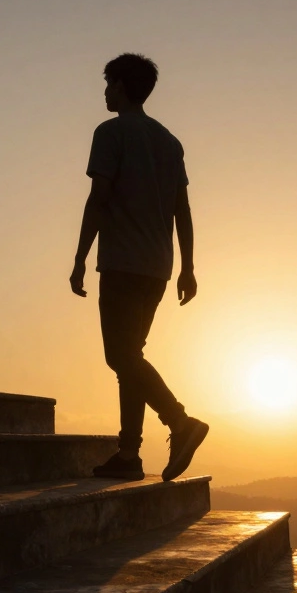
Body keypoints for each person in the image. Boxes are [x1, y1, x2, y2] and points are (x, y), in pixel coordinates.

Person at [70, 53, 209, 482]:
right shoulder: (169, 141)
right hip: (158, 270)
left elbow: (99, 198)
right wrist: (188, 266)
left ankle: (180, 421)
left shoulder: (110, 133)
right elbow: (182, 209)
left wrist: (79, 258)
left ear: (124, 87)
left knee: (120, 356)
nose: (106, 91)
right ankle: (128, 455)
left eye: (110, 83)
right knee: (131, 357)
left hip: (122, 263)